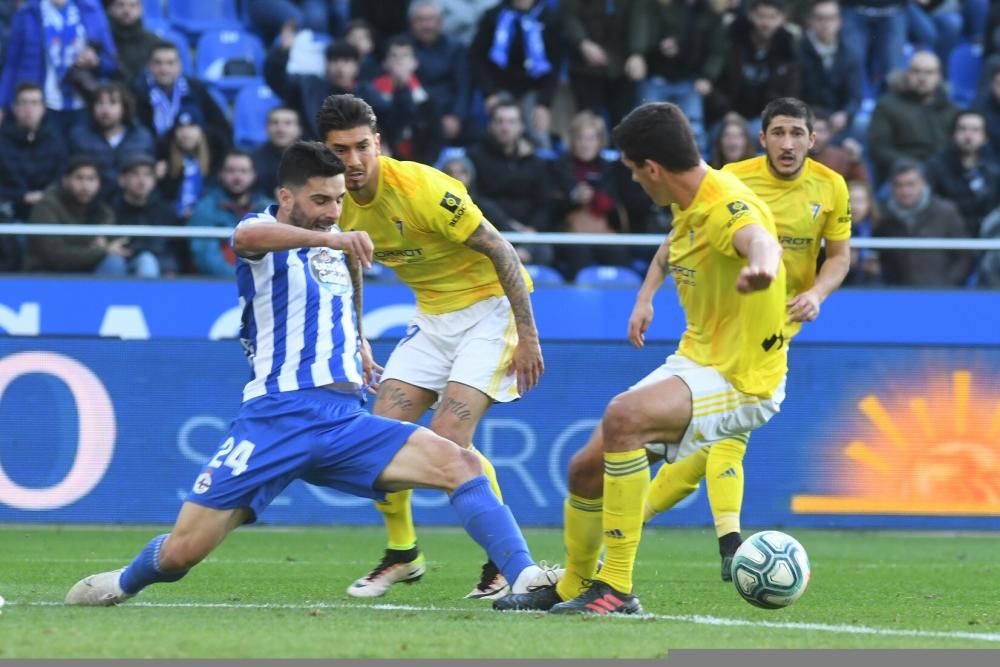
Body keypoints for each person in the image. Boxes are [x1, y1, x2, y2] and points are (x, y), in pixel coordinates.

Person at [64, 141, 557, 606]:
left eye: (339, 200)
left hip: (343, 421)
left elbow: (347, 279)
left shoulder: (335, 244)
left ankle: (524, 576)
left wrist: (358, 340)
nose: (332, 211)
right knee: (180, 554)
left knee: (460, 464)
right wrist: (333, 237)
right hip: (275, 420)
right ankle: (120, 584)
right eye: (320, 199)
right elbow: (244, 237)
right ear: (286, 196)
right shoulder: (264, 233)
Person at [495, 101, 788, 615]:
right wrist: (646, 296)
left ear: (651, 168)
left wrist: (761, 268)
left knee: (623, 418)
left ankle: (617, 587)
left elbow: (760, 240)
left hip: (745, 377)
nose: (632, 181)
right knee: (585, 468)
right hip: (698, 359)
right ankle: (572, 586)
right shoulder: (689, 200)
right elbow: (671, 246)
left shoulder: (726, 206)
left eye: (632, 171)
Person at [317, 94, 544, 600]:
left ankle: (503, 565)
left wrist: (527, 334)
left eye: (360, 148)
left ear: (377, 143)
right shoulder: (335, 200)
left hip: (491, 308)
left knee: (447, 440)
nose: (352, 162)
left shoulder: (423, 189)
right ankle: (404, 554)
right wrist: (357, 338)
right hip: (434, 317)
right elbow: (351, 264)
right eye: (339, 151)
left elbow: (500, 248)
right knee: (380, 435)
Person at [641, 98, 851, 580]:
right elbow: (679, 236)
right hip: (725, 315)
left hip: (776, 323)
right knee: (717, 435)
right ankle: (726, 543)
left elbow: (838, 257)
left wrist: (818, 292)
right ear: (762, 139)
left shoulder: (831, 187)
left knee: (718, 437)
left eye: (797, 133)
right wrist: (646, 295)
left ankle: (687, 531)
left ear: (812, 140)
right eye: (778, 132)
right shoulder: (730, 178)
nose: (787, 143)